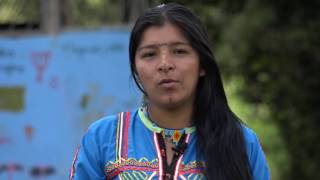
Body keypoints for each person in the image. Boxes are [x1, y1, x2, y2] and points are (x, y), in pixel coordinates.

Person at [70, 3, 270, 180]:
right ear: (136, 69)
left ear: (202, 64)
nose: (164, 64)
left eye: (179, 51)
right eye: (149, 54)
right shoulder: (102, 138)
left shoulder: (242, 143)